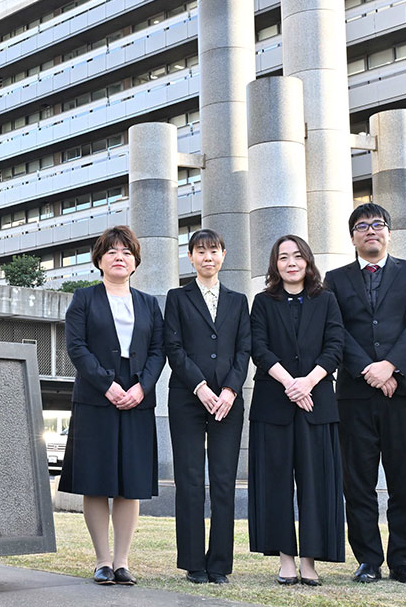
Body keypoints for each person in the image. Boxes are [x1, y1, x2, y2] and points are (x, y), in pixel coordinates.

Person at [324, 203, 406, 586]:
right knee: (358, 481)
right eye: (362, 226)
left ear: (389, 232)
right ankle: (368, 559)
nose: (371, 231)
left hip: (402, 392)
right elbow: (335, 330)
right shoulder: (334, 279)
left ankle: (404, 560)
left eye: (378, 224)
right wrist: (369, 370)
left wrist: (390, 366)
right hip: (355, 394)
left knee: (405, 480)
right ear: (352, 236)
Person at [58, 225, 164, 586]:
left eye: (126, 252)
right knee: (97, 480)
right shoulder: (83, 298)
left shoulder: (149, 303)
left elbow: (157, 351)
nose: (119, 257)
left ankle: (122, 562)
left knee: (129, 483)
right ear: (99, 260)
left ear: (135, 262)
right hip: (95, 395)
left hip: (138, 395)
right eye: (112, 252)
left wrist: (141, 387)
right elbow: (77, 348)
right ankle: (102, 561)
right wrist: (108, 385)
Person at [248, 234, 346, 586]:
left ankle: (309, 562)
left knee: (316, 484)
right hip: (273, 405)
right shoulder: (262, 302)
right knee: (274, 483)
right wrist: (292, 383)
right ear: (275, 265)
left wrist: (308, 383)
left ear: (307, 261)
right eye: (283, 257)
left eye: (297, 256)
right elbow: (258, 348)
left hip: (317, 405)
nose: (291, 262)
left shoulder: (327, 300)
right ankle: (285, 559)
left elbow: (335, 346)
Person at [163, 228, 251, 585]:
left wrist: (230, 389)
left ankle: (219, 565)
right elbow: (173, 347)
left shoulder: (238, 300)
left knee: (223, 481)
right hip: (187, 397)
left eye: (213, 250)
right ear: (191, 257)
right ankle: (193, 564)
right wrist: (199, 386)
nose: (207, 257)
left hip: (228, 401)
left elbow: (244, 349)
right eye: (200, 251)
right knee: (189, 479)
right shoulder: (177, 297)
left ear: (224, 255)